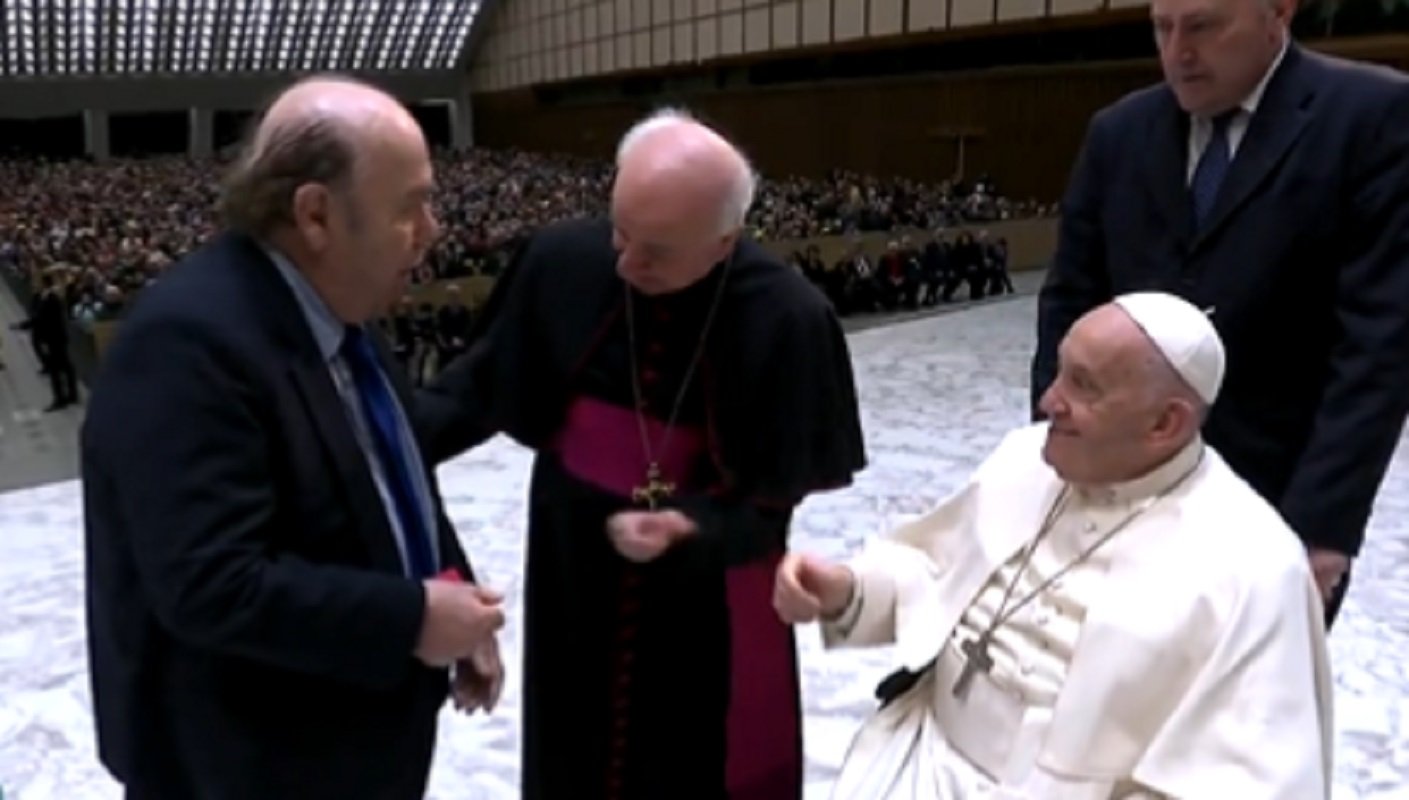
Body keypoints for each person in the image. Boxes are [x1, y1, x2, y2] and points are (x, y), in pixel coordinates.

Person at [418, 108, 867, 800]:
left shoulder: (787, 318)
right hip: (573, 564)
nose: (626, 263)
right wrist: (367, 445)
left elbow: (767, 506)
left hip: (705, 594)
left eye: (656, 249)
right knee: (572, 747)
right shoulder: (564, 258)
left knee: (686, 762)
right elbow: (472, 393)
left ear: (724, 241)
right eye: (619, 232)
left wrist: (689, 527)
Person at [81, 76, 505, 800]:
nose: (432, 230)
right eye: (410, 206)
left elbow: (392, 473)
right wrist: (410, 619)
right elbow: (210, 584)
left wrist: (451, 596)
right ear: (315, 215)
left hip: (358, 736)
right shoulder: (187, 343)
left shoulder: (340, 304)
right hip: (253, 763)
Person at [779, 292, 1333, 798]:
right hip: (922, 759)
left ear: (1166, 422)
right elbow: (935, 570)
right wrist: (848, 590)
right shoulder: (1025, 458)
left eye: (1083, 385)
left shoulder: (1255, 564)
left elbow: (1251, 782)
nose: (1048, 400)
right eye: (1060, 372)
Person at [1030, 0, 1409, 626]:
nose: (1177, 52)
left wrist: (1321, 528)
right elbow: (1068, 307)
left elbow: (1378, 348)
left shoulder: (1371, 119)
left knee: (1242, 715)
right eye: (1161, 27)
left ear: (1278, 11)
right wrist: (1058, 458)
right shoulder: (1116, 133)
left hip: (1273, 505)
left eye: (1203, 26)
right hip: (1119, 492)